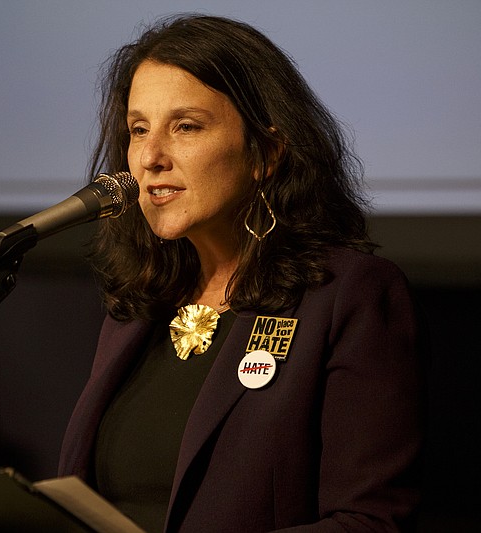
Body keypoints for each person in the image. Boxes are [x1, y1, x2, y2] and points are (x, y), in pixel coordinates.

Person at [57, 14, 429, 532]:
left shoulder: (347, 295)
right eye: (138, 129)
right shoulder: (139, 304)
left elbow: (372, 521)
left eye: (185, 126)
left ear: (267, 153)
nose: (149, 157)